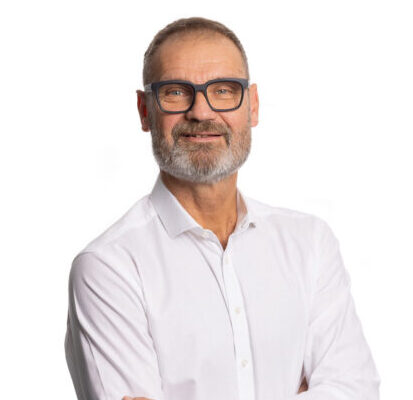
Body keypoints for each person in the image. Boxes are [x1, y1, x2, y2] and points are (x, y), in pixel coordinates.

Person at [64, 17, 381, 400]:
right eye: (176, 92)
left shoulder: (310, 244)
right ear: (145, 111)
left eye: (224, 90)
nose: (201, 112)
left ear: (253, 106)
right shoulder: (108, 268)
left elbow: (356, 389)